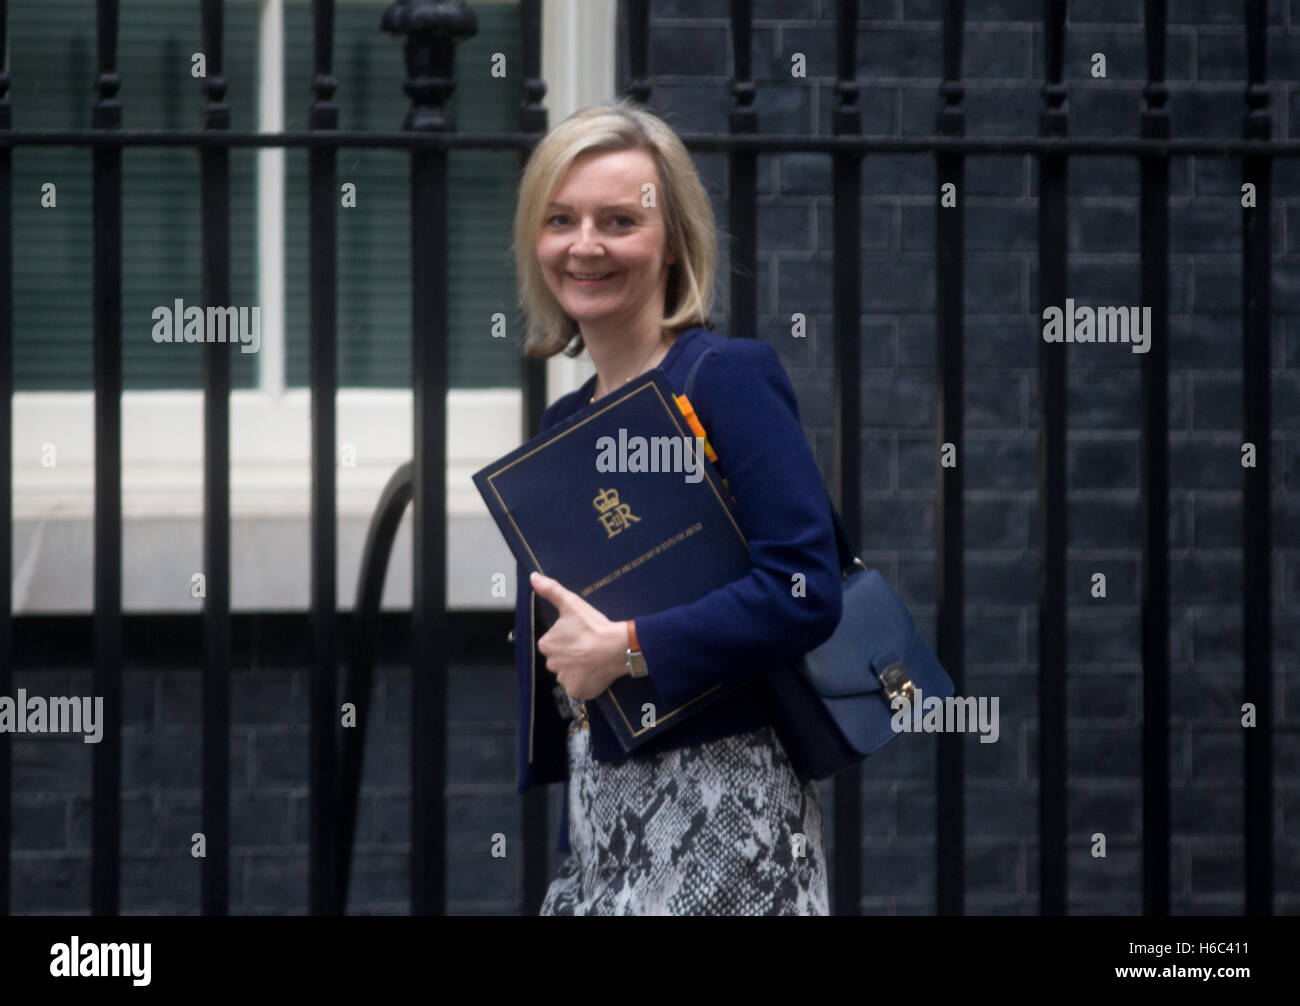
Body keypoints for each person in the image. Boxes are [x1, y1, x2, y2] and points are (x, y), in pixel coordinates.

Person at [509, 99, 843, 915]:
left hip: (726, 814)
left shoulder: (724, 377)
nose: (585, 245)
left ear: (671, 243)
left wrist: (626, 647)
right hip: (603, 819)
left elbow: (806, 586)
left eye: (619, 220)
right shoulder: (565, 421)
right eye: (561, 220)